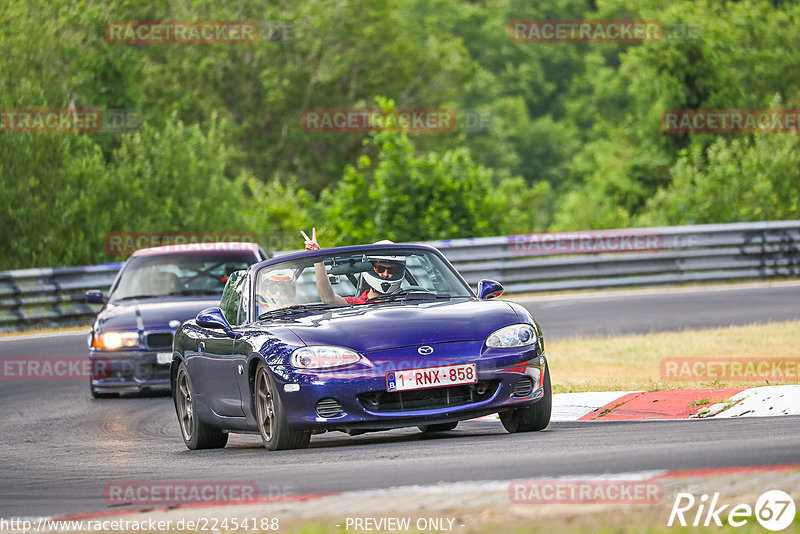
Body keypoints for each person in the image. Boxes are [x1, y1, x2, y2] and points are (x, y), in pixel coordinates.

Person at [301, 227, 405, 305]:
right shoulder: (357, 304)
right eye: (380, 269)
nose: (385, 274)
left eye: (391, 270)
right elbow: (329, 299)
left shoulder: (408, 300)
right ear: (370, 267)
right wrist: (317, 258)